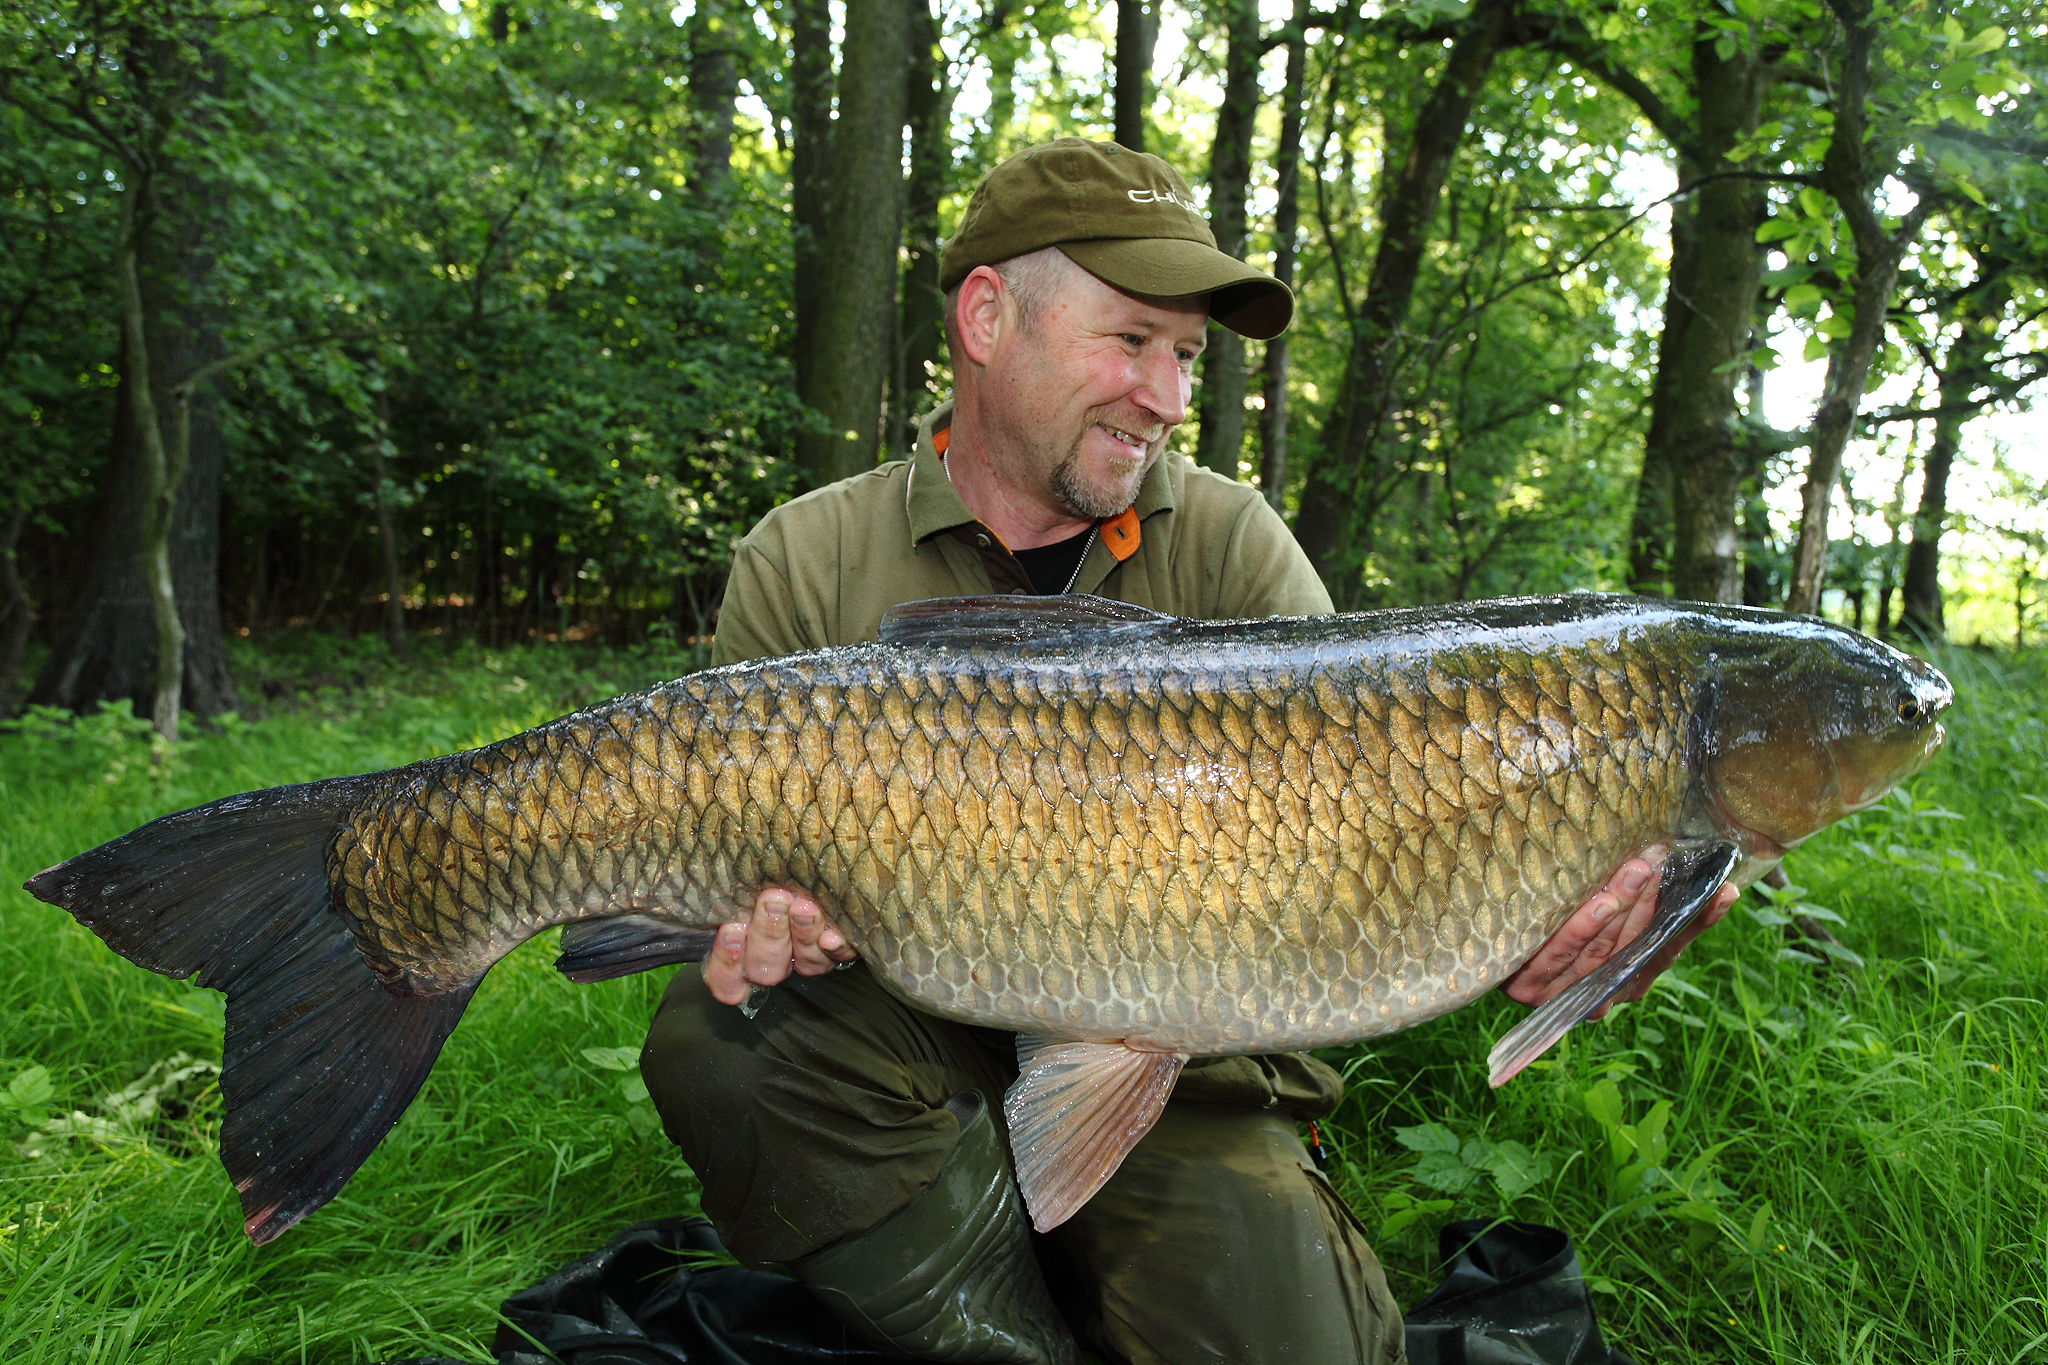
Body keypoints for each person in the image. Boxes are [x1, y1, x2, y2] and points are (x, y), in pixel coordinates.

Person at [640, 138, 1735, 1365]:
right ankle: (1000, 1333)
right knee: (719, 1033)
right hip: (901, 1036)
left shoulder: (1232, 548)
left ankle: (1100, 1252)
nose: (1165, 398)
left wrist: (1571, 886)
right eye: (1129, 341)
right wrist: (762, 927)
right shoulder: (804, 560)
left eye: (1183, 357)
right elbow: (742, 896)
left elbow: (1384, 816)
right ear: (988, 318)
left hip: (1193, 1069)